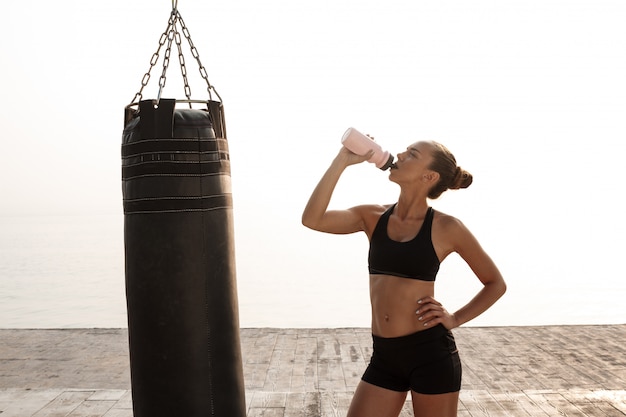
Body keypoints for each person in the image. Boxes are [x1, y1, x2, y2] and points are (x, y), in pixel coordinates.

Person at [301, 139, 506, 417]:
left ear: (428, 176)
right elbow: (313, 219)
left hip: (430, 355)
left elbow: (495, 283)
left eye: (412, 154)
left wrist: (455, 319)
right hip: (384, 356)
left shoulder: (447, 228)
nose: (399, 154)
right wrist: (342, 160)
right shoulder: (372, 216)